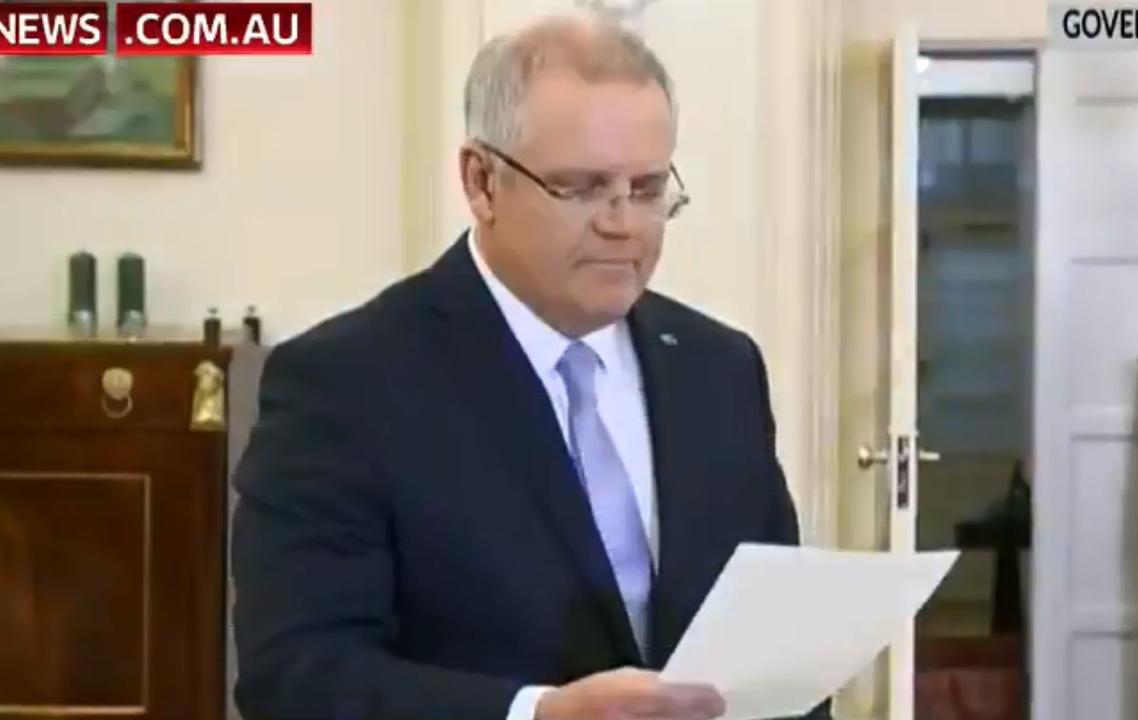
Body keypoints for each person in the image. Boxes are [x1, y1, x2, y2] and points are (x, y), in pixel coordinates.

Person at [231, 14, 830, 720]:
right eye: (581, 188)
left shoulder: (720, 368)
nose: (622, 223)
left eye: (645, 189)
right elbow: (297, 677)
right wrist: (534, 715)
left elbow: (776, 647)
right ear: (482, 182)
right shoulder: (345, 384)